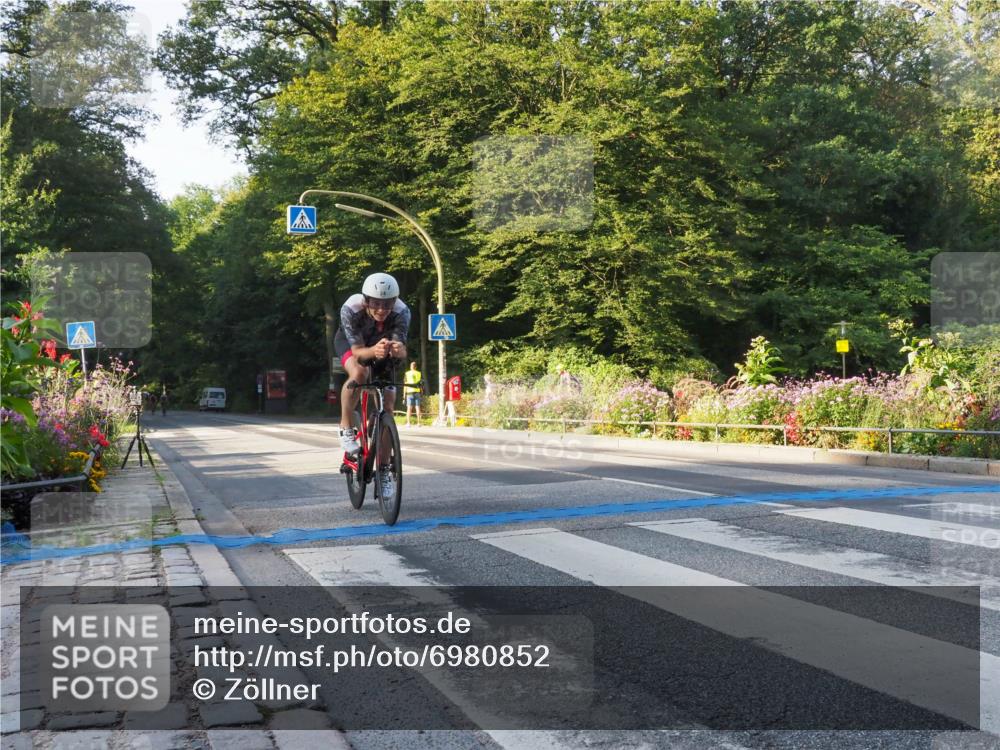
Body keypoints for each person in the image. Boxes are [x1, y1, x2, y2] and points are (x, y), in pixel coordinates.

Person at [335, 274, 410, 494]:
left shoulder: (402, 312)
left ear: (394, 301)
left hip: (382, 349)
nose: (381, 309)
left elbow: (402, 350)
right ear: (366, 300)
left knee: (389, 404)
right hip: (353, 345)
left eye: (387, 304)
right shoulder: (351, 308)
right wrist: (374, 351)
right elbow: (359, 353)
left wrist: (399, 350)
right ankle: (346, 427)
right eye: (376, 303)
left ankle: (383, 470)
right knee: (360, 372)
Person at [403, 361, 422, 426]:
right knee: (417, 407)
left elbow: (405, 385)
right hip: (417, 392)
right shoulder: (419, 373)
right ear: (416, 367)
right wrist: (421, 392)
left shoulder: (407, 373)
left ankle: (408, 423)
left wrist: (404, 396)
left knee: (409, 408)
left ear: (410, 367)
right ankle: (419, 423)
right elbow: (421, 384)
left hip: (409, 392)